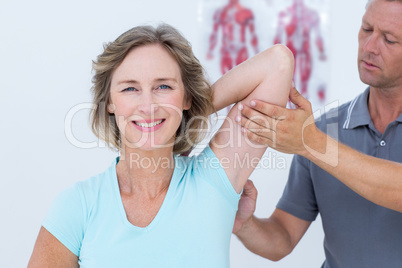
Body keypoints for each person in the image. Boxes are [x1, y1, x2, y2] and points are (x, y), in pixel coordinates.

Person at [28, 24, 294, 267]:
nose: (148, 106)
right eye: (130, 89)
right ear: (109, 102)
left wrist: (187, 113)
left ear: (186, 96)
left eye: (164, 86)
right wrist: (174, 111)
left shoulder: (215, 179)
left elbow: (277, 63)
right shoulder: (78, 204)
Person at [232, 0, 402, 267]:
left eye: (390, 40)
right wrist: (242, 222)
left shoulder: (313, 137)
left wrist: (311, 143)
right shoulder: (321, 130)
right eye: (367, 29)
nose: (369, 47)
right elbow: (282, 239)